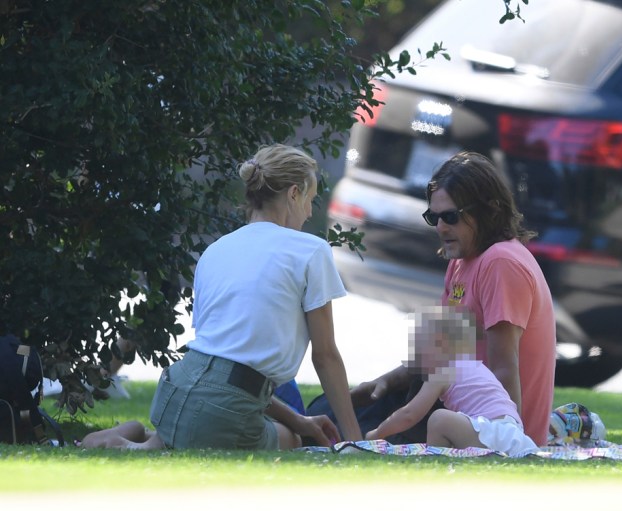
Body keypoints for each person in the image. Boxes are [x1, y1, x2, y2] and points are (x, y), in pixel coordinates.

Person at [81, 144, 362, 450]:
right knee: (291, 441)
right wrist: (355, 443)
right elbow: (325, 356)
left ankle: (138, 439)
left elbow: (222, 362)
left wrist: (299, 418)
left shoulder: (215, 251)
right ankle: (133, 446)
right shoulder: (310, 250)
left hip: (176, 390)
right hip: (224, 408)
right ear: (294, 194)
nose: (309, 213)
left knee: (180, 440)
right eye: (309, 200)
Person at [350, 151, 555, 446]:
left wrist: (511, 448)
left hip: (488, 431)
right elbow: (440, 350)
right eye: (433, 217)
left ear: (491, 210)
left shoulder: (501, 263)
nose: (440, 227)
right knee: (338, 410)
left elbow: (504, 368)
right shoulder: (463, 261)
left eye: (451, 216)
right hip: (456, 410)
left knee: (349, 428)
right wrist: (386, 381)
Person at [365, 307, 538, 457]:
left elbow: (409, 414)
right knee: (449, 425)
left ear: (441, 343)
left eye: (419, 346)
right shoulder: (473, 366)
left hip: (493, 433)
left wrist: (377, 433)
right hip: (512, 435)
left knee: (439, 419)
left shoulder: (443, 369)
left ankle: (437, 464)